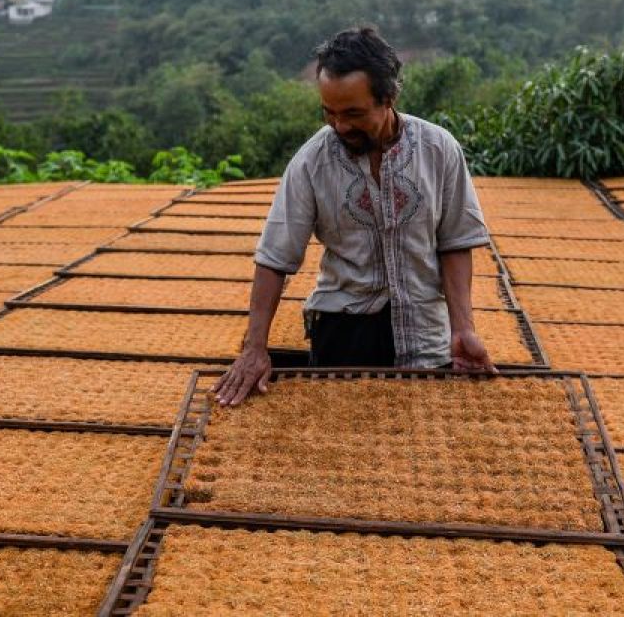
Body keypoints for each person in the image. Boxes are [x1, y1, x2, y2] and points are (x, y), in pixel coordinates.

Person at [213, 26, 497, 407]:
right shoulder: (312, 162)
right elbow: (275, 258)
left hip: (425, 330)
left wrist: (463, 328)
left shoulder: (438, 149)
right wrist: (255, 347)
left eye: (353, 113)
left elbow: (455, 242)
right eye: (329, 112)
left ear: (389, 97)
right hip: (346, 332)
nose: (340, 126)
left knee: (426, 446)